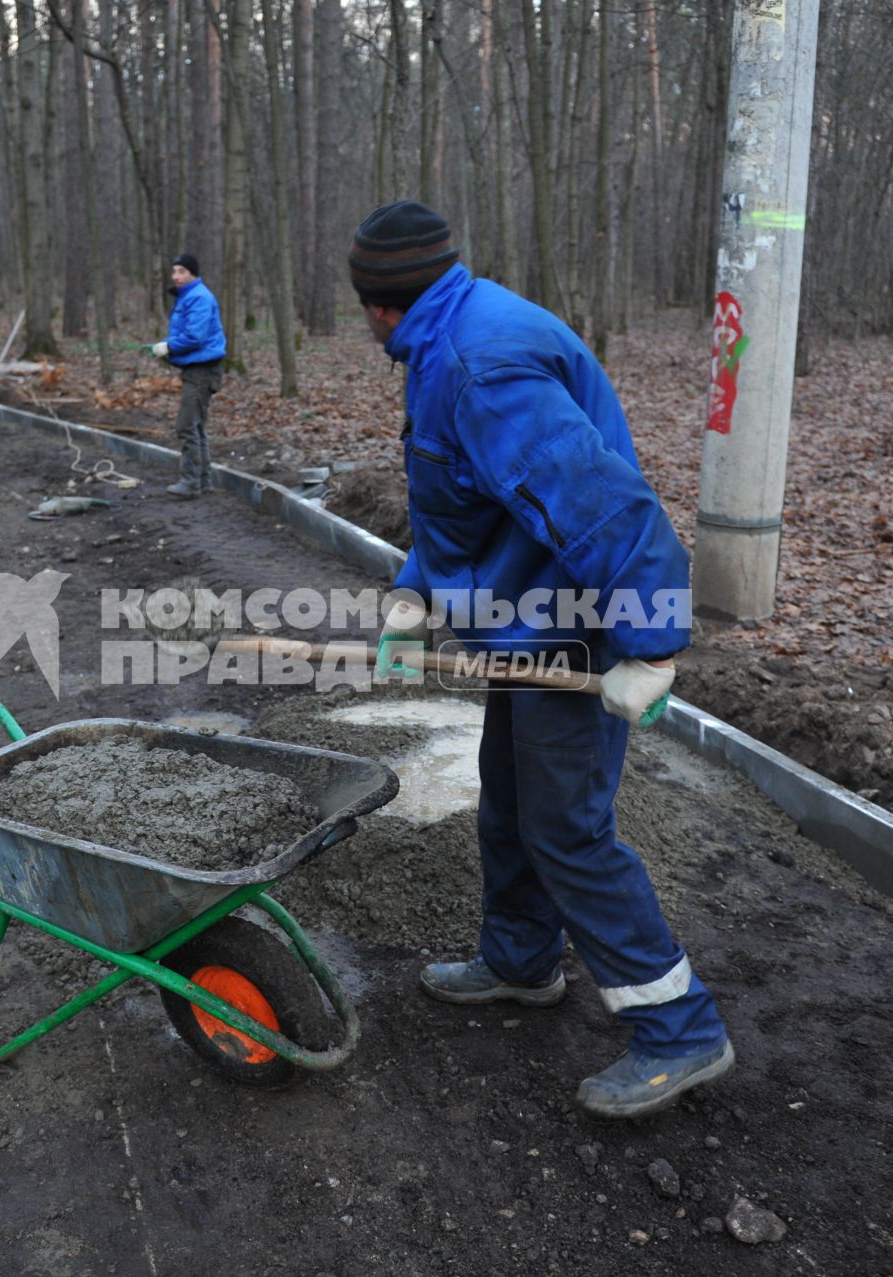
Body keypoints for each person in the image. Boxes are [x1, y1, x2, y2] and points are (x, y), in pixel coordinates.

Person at [355, 200, 733, 1120]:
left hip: (577, 623)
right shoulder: (450, 335)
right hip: (526, 619)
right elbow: (469, 505)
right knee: (511, 798)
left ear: (378, 305)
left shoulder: (482, 367)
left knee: (567, 828)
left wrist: (652, 643)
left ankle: (681, 1028)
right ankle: (521, 962)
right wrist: (416, 592)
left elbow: (607, 506)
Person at [147, 252, 226, 498]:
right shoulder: (189, 297)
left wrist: (169, 347)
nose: (176, 276)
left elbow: (195, 336)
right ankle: (203, 481)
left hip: (203, 370)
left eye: (181, 271)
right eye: (174, 271)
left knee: (186, 425)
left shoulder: (199, 298)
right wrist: (167, 345)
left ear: (193, 273)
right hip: (196, 368)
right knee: (196, 426)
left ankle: (191, 482)